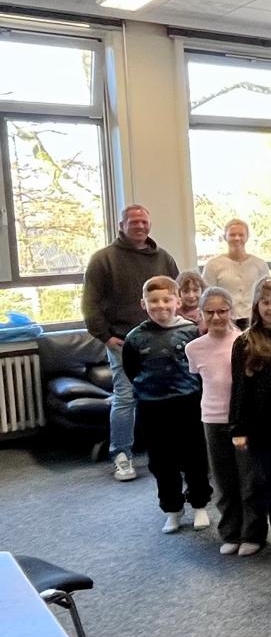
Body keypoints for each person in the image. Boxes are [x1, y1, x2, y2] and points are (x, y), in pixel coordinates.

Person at [83, 204, 180, 482]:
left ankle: (167, 450)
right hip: (123, 342)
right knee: (125, 397)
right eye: (133, 221)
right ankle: (121, 455)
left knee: (168, 395)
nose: (139, 226)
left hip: (163, 339)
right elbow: (90, 303)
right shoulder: (103, 259)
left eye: (144, 221)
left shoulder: (163, 258)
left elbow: (177, 294)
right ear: (121, 225)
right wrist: (105, 336)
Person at [123, 275, 211, 534]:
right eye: (153, 301)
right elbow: (132, 370)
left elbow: (201, 369)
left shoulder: (192, 331)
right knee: (161, 461)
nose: (160, 306)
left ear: (178, 300)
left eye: (166, 300)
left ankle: (199, 505)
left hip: (188, 404)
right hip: (153, 408)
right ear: (143, 304)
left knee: (195, 457)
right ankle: (172, 509)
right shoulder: (135, 338)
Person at [229, 276, 271, 558]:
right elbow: (239, 388)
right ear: (257, 305)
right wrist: (238, 428)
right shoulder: (244, 342)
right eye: (266, 302)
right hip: (262, 426)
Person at [186, 286, 250, 554]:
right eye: (209, 312)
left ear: (231, 312)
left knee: (247, 479)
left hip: (243, 420)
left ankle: (252, 534)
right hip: (211, 418)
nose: (216, 317)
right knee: (224, 480)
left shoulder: (244, 342)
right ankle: (230, 533)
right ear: (201, 314)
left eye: (222, 311)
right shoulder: (193, 348)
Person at [203, 219, 269, 322]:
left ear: (247, 237)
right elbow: (207, 296)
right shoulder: (213, 265)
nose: (237, 238)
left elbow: (266, 294)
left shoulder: (260, 264)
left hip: (254, 320)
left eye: (241, 235)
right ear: (225, 237)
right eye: (232, 235)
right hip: (225, 321)